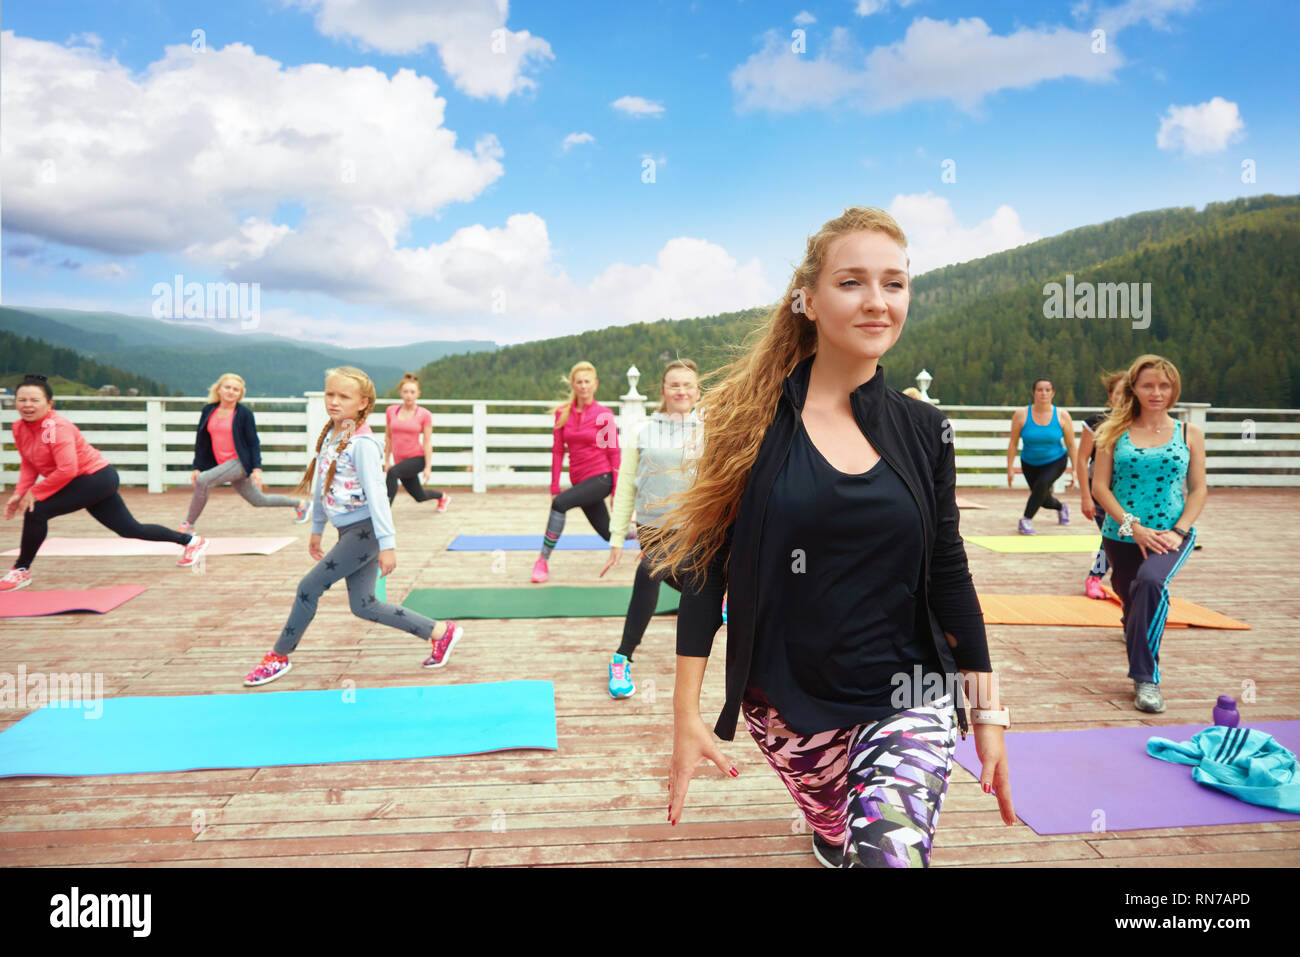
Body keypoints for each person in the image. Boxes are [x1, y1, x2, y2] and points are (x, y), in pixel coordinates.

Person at [653, 207, 1014, 868]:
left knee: (886, 855)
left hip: (909, 694)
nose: (878, 301)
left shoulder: (925, 430)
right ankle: (830, 830)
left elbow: (950, 572)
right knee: (838, 832)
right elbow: (705, 568)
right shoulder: (748, 422)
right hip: (787, 705)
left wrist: (986, 709)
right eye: (852, 282)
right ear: (809, 300)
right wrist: (685, 713)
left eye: (895, 283)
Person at [242, 367, 463, 687]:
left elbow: (378, 496)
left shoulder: (362, 444)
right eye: (329, 394)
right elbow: (322, 485)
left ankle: (279, 656)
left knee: (308, 588)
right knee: (364, 605)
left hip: (366, 532)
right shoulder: (332, 435)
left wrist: (388, 544)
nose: (333, 401)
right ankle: (441, 632)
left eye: (343, 396)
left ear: (363, 403)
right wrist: (317, 528)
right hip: (348, 531)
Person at [2, 374, 208, 591]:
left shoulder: (55, 428)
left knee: (37, 511)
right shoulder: (20, 428)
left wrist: (34, 493)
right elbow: (30, 462)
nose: (27, 405)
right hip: (85, 481)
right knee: (129, 529)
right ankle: (191, 542)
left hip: (95, 478)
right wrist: (20, 492)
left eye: (34, 400)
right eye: (22, 400)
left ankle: (21, 569)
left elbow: (67, 469)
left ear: (49, 404)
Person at [1092, 355, 1206, 714]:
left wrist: (1179, 530)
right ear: (1135, 389)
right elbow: (1100, 488)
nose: (1157, 392)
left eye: (1164, 385)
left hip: (1171, 535)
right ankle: (1137, 627)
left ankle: (1146, 679)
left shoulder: (1190, 434)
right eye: (1148, 385)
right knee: (1131, 603)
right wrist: (1133, 527)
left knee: (1151, 583)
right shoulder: (1113, 432)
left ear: (1174, 389)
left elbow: (1199, 489)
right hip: (1121, 535)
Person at [598, 359, 702, 698]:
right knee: (650, 570)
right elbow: (626, 483)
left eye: (687, 384)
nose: (681, 391)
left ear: (697, 389)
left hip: (696, 530)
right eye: (674, 385)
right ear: (663, 390)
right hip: (653, 529)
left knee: (696, 589)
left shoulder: (710, 429)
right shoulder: (643, 430)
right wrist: (616, 537)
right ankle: (622, 657)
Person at [180, 373, 309, 535]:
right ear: (219, 389)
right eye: (227, 387)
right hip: (223, 464)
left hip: (240, 463)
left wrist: (256, 469)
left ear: (240, 394)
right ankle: (300, 504)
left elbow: (253, 442)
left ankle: (188, 524)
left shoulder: (243, 414)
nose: (231, 392)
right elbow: (202, 442)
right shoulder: (208, 410)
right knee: (259, 500)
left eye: (236, 390)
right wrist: (197, 466)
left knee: (203, 480)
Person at [531, 362, 621, 584]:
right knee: (609, 534)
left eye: (587, 381)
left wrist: (616, 490)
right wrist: (554, 485)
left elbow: (615, 453)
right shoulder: (563, 414)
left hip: (602, 478)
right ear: (573, 384)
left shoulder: (604, 415)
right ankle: (650, 535)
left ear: (595, 384)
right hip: (580, 481)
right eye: (579, 382)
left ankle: (542, 561)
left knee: (560, 504)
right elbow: (557, 451)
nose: (583, 386)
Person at [1075, 371, 1128, 599]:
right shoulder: (1096, 422)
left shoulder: (1140, 422)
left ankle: (1123, 578)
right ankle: (1094, 577)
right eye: (1119, 393)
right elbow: (1081, 459)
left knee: (1121, 538)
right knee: (1111, 534)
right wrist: (1085, 496)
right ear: (1110, 396)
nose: (1123, 398)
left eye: (1129, 393)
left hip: (1129, 492)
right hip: (1099, 490)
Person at [1006, 378, 1077, 534]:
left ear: (1052, 393)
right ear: (1033, 393)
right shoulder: (1021, 414)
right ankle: (1061, 507)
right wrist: (1010, 468)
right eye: (1039, 390)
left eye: (1047, 390)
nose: (1043, 393)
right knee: (1042, 498)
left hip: (1056, 460)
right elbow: (1013, 443)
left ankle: (1025, 520)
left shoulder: (1062, 415)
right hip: (1029, 462)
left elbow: (1071, 444)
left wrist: (1075, 469)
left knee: (1042, 485)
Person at [384, 373, 449, 512]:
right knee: (419, 496)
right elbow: (388, 437)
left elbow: (427, 442)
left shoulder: (424, 414)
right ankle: (442, 496)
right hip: (400, 461)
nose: (408, 395)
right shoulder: (391, 411)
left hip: (417, 458)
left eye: (412, 392)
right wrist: (387, 460)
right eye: (405, 392)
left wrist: (428, 467)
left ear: (418, 394)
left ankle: (384, 511)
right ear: (400, 393)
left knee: (393, 473)